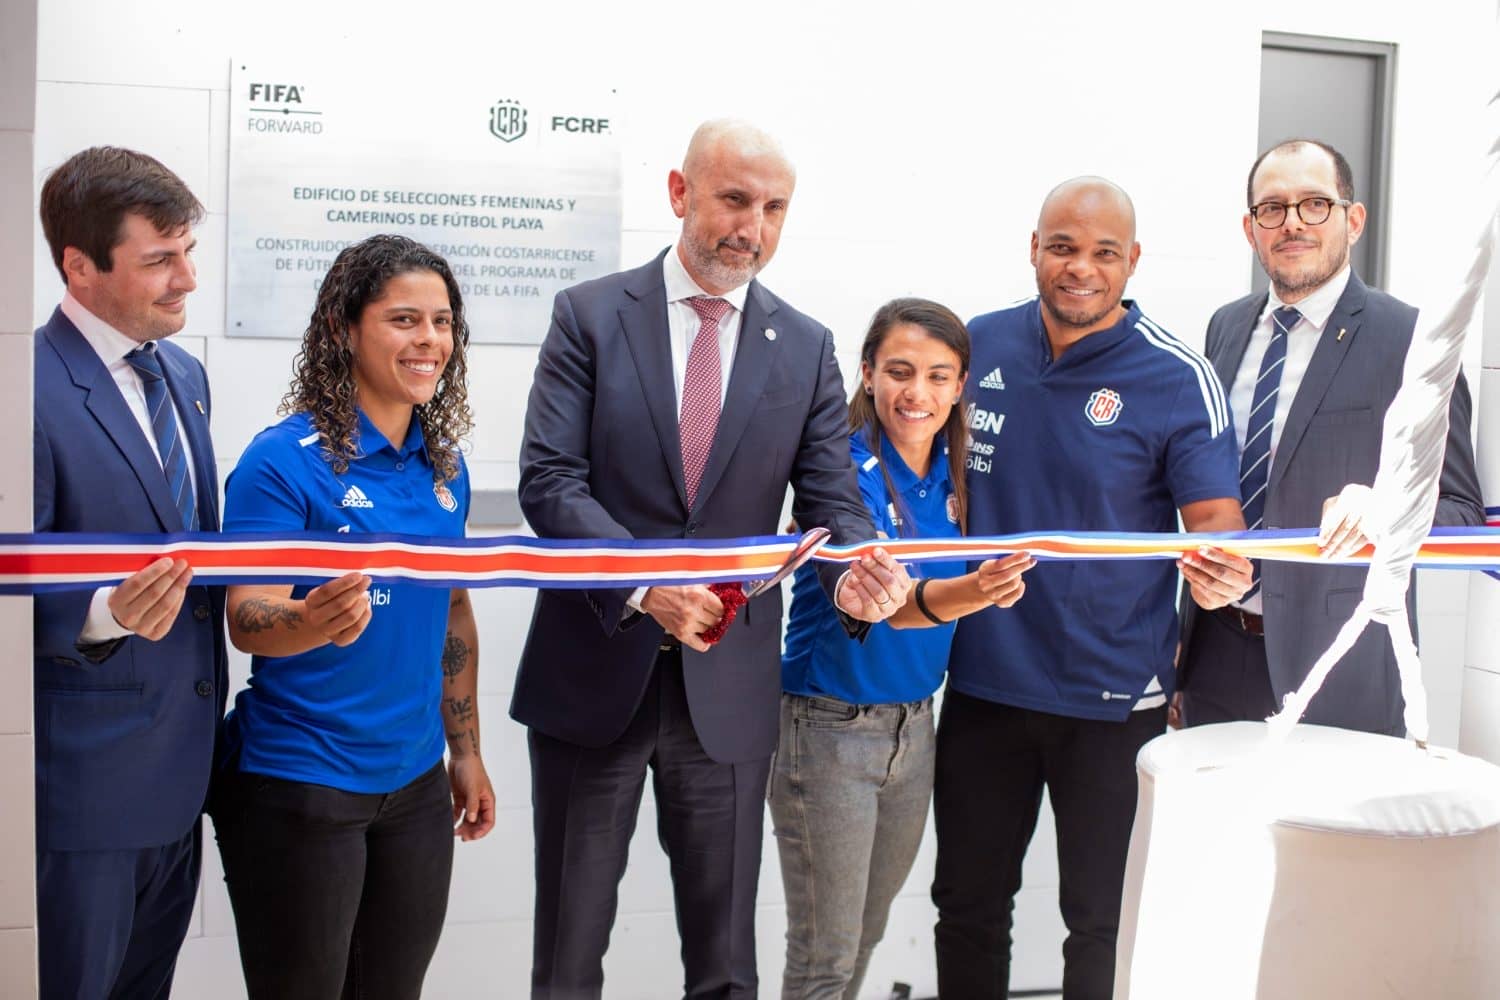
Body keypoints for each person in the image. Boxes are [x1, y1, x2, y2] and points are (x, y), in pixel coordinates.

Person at [513, 119, 912, 999]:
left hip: (727, 693)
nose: (754, 227)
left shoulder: (803, 345)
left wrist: (855, 574)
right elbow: (549, 482)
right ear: (679, 192)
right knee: (569, 957)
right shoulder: (587, 316)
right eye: (735, 199)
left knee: (727, 965)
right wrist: (645, 582)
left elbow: (831, 501)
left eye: (775, 208)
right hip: (592, 675)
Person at [931, 177, 1254, 1000]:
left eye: (1104, 252)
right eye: (1063, 247)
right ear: (1034, 248)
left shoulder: (1177, 375)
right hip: (982, 683)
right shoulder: (978, 346)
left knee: (1102, 923)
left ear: (1132, 261)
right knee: (967, 906)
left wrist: (1224, 573)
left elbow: (1217, 525)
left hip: (1114, 699)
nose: (1081, 268)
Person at [210, 234, 495, 999]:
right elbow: (246, 616)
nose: (429, 339)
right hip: (300, 784)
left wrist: (464, 752)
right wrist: (314, 620)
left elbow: (454, 610)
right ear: (343, 327)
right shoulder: (281, 460)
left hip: (413, 790)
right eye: (404, 319)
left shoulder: (445, 466)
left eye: (441, 321)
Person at [1176, 139, 1484, 737]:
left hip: (1340, 669)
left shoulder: (1415, 341)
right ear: (1251, 228)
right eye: (1273, 208)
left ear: (1354, 219)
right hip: (1213, 656)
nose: (1292, 222)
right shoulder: (1226, 327)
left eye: (1315, 204)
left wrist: (1387, 510)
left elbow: (1464, 514)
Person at [771, 297, 1034, 1000]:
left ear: (960, 386)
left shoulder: (959, 473)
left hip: (916, 727)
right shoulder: (842, 473)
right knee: (825, 952)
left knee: (868, 931)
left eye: (939, 376)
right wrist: (981, 589)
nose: (918, 394)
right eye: (899, 372)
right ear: (867, 374)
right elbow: (900, 611)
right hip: (828, 729)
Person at [32, 145, 226, 999]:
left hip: (181, 779)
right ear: (80, 265)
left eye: (188, 251)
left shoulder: (183, 376)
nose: (186, 278)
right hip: (83, 790)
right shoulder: (25, 387)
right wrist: (103, 612)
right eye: (159, 259)